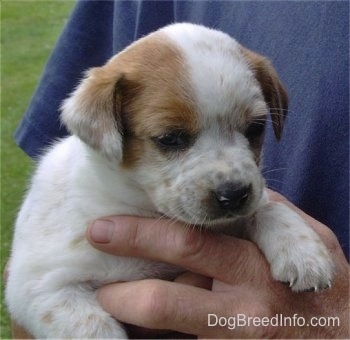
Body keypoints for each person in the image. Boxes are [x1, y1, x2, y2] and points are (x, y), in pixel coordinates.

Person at [10, 0, 349, 338]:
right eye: (172, 139)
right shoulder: (66, 192)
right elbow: (34, 290)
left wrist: (272, 219)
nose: (230, 178)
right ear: (104, 133)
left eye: (252, 128)